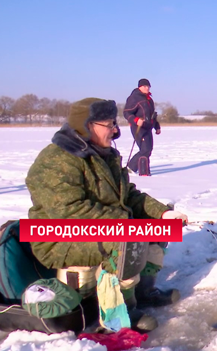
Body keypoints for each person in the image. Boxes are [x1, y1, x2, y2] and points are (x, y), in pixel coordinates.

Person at [25, 97, 188, 331]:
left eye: (114, 123)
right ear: (87, 125)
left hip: (102, 227)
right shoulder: (56, 160)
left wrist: (162, 214)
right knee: (127, 241)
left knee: (156, 226)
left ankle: (142, 291)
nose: (115, 130)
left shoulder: (105, 155)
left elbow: (128, 195)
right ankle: (118, 313)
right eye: (109, 124)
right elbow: (69, 211)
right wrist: (126, 225)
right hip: (59, 236)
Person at [123, 78, 161, 176]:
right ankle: (144, 174)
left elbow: (152, 115)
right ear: (139, 87)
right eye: (144, 86)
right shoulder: (134, 98)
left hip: (148, 127)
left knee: (148, 149)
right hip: (138, 127)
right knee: (145, 149)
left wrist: (156, 126)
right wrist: (136, 120)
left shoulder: (149, 100)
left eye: (148, 86)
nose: (147, 88)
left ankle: (130, 168)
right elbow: (127, 113)